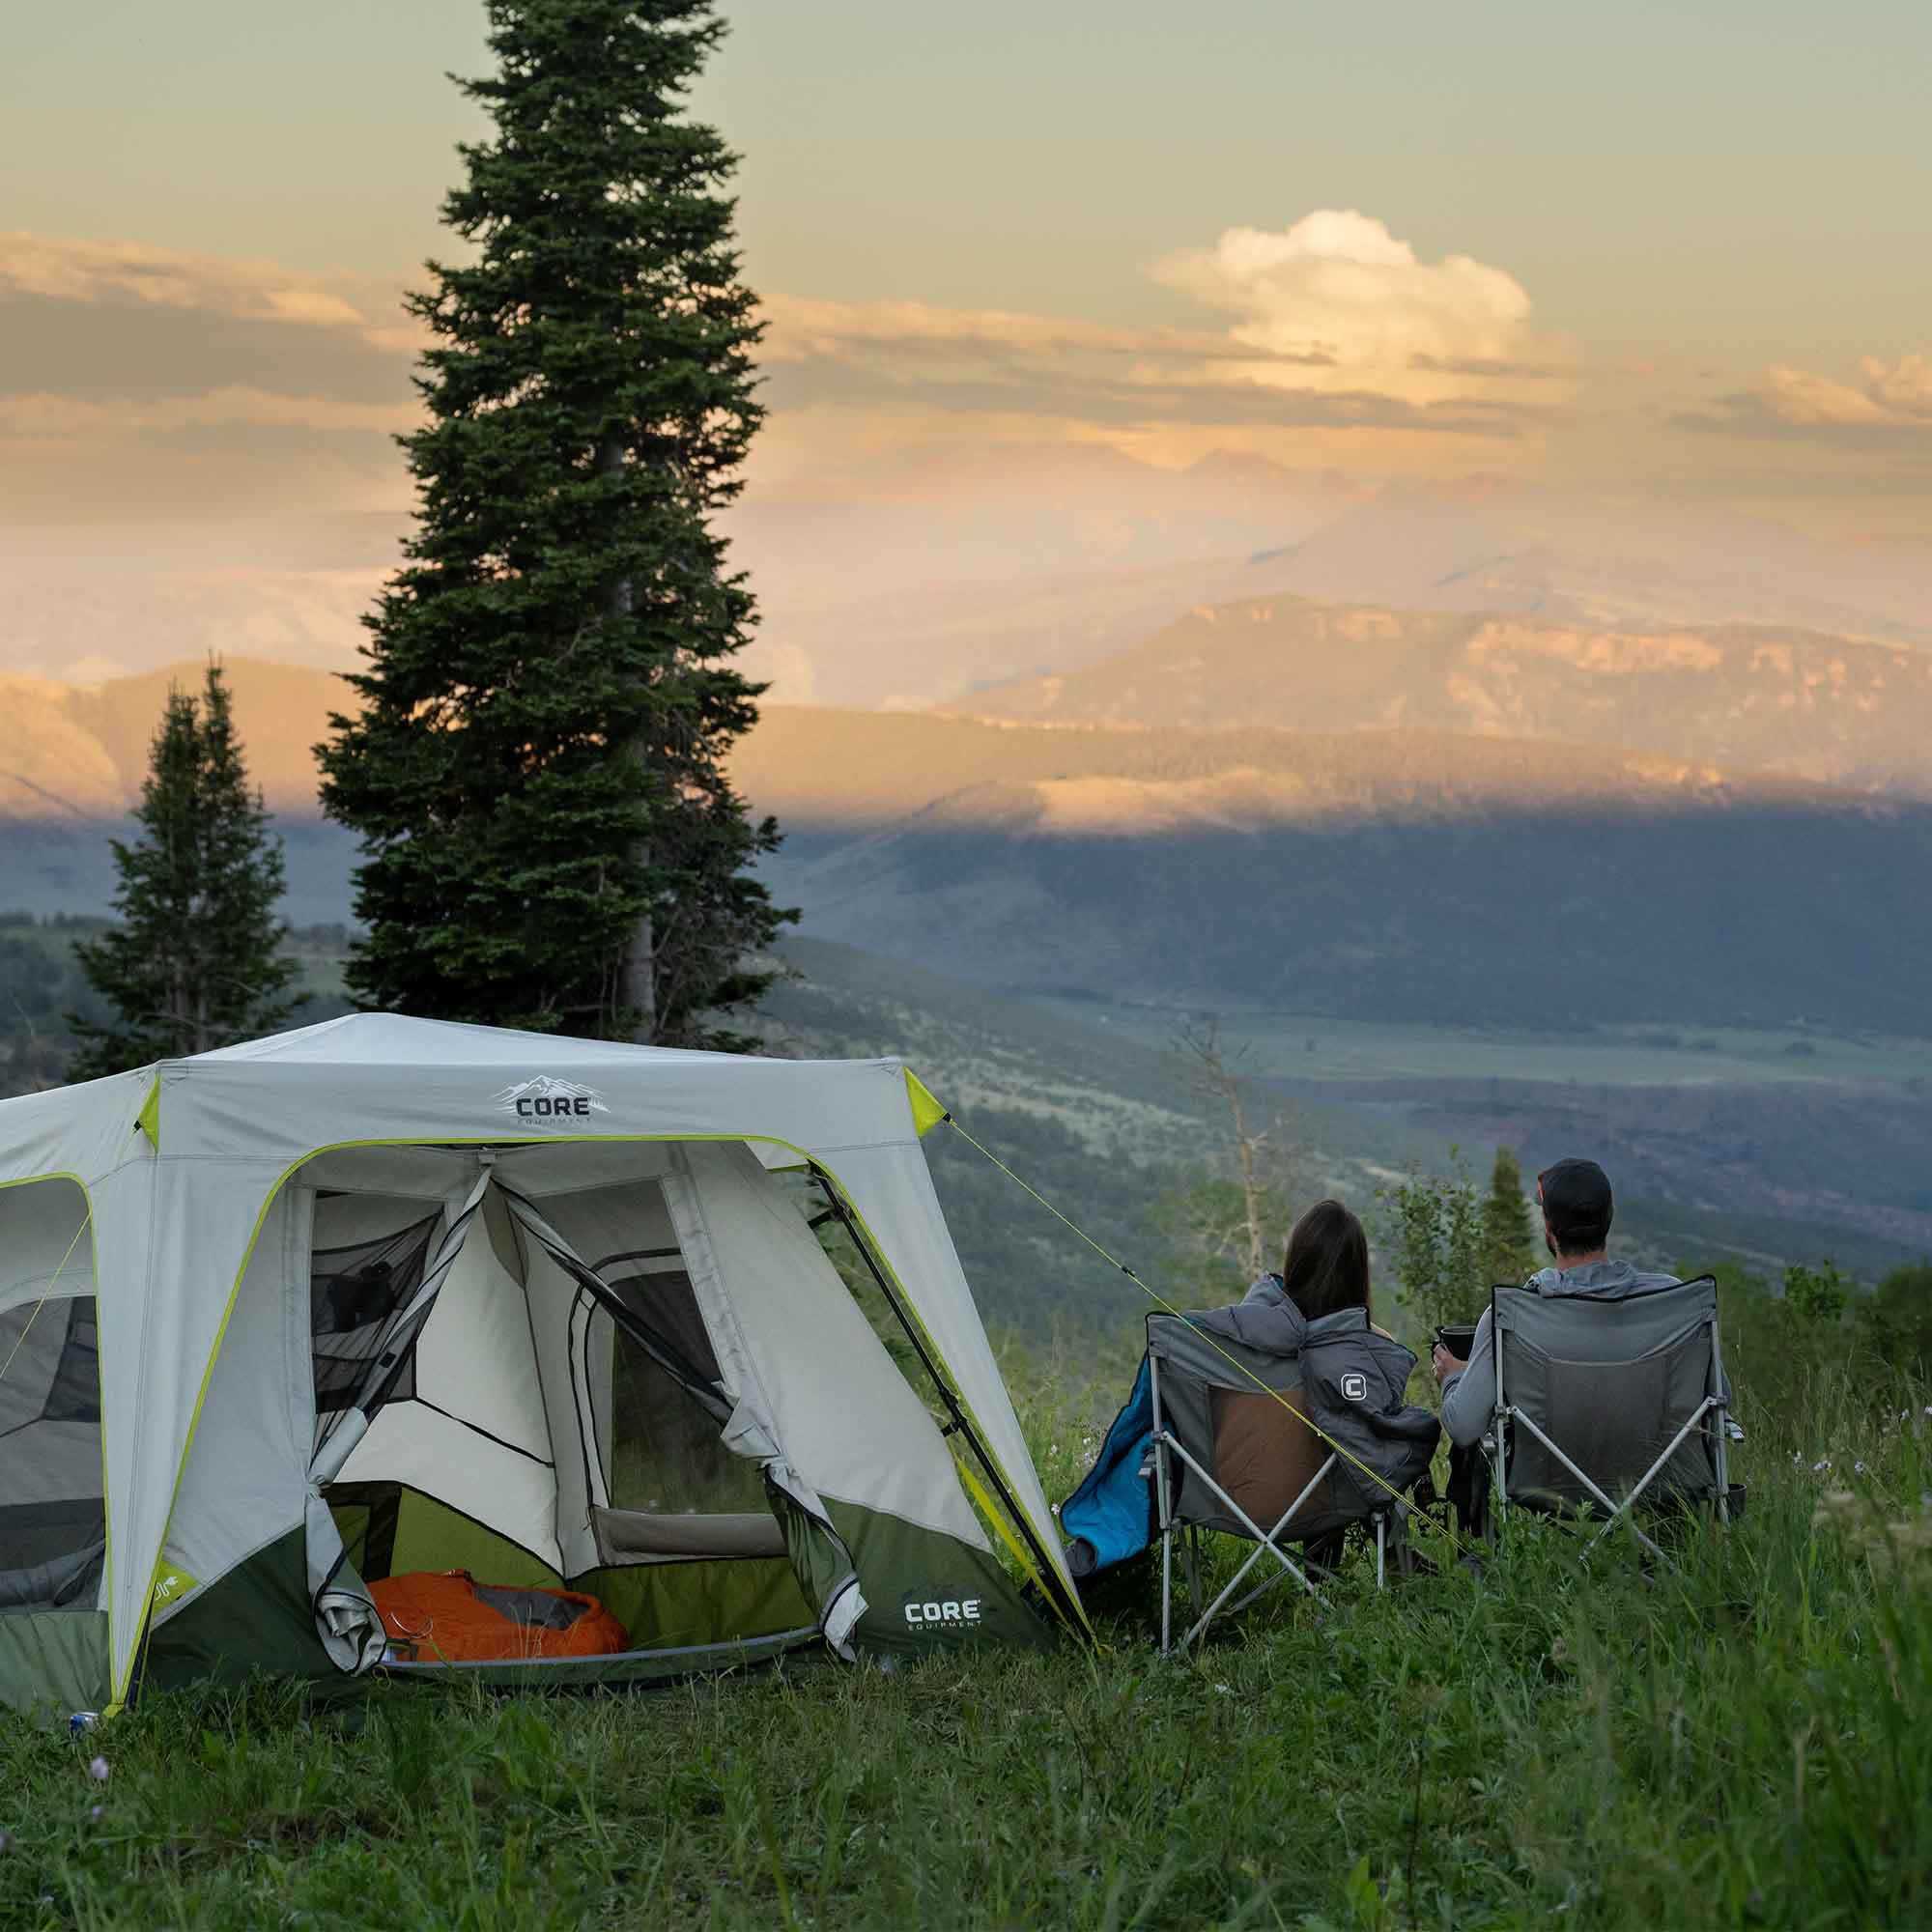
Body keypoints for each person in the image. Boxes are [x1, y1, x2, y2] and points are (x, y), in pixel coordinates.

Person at [1432, 1155, 1688, 1450]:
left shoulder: (1509, 1316)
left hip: (1545, 1490)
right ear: (1610, 1217)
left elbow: (1464, 1427)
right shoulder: (1672, 1301)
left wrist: (1453, 1378)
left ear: (1549, 1229)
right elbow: (1717, 1400)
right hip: (1663, 1487)